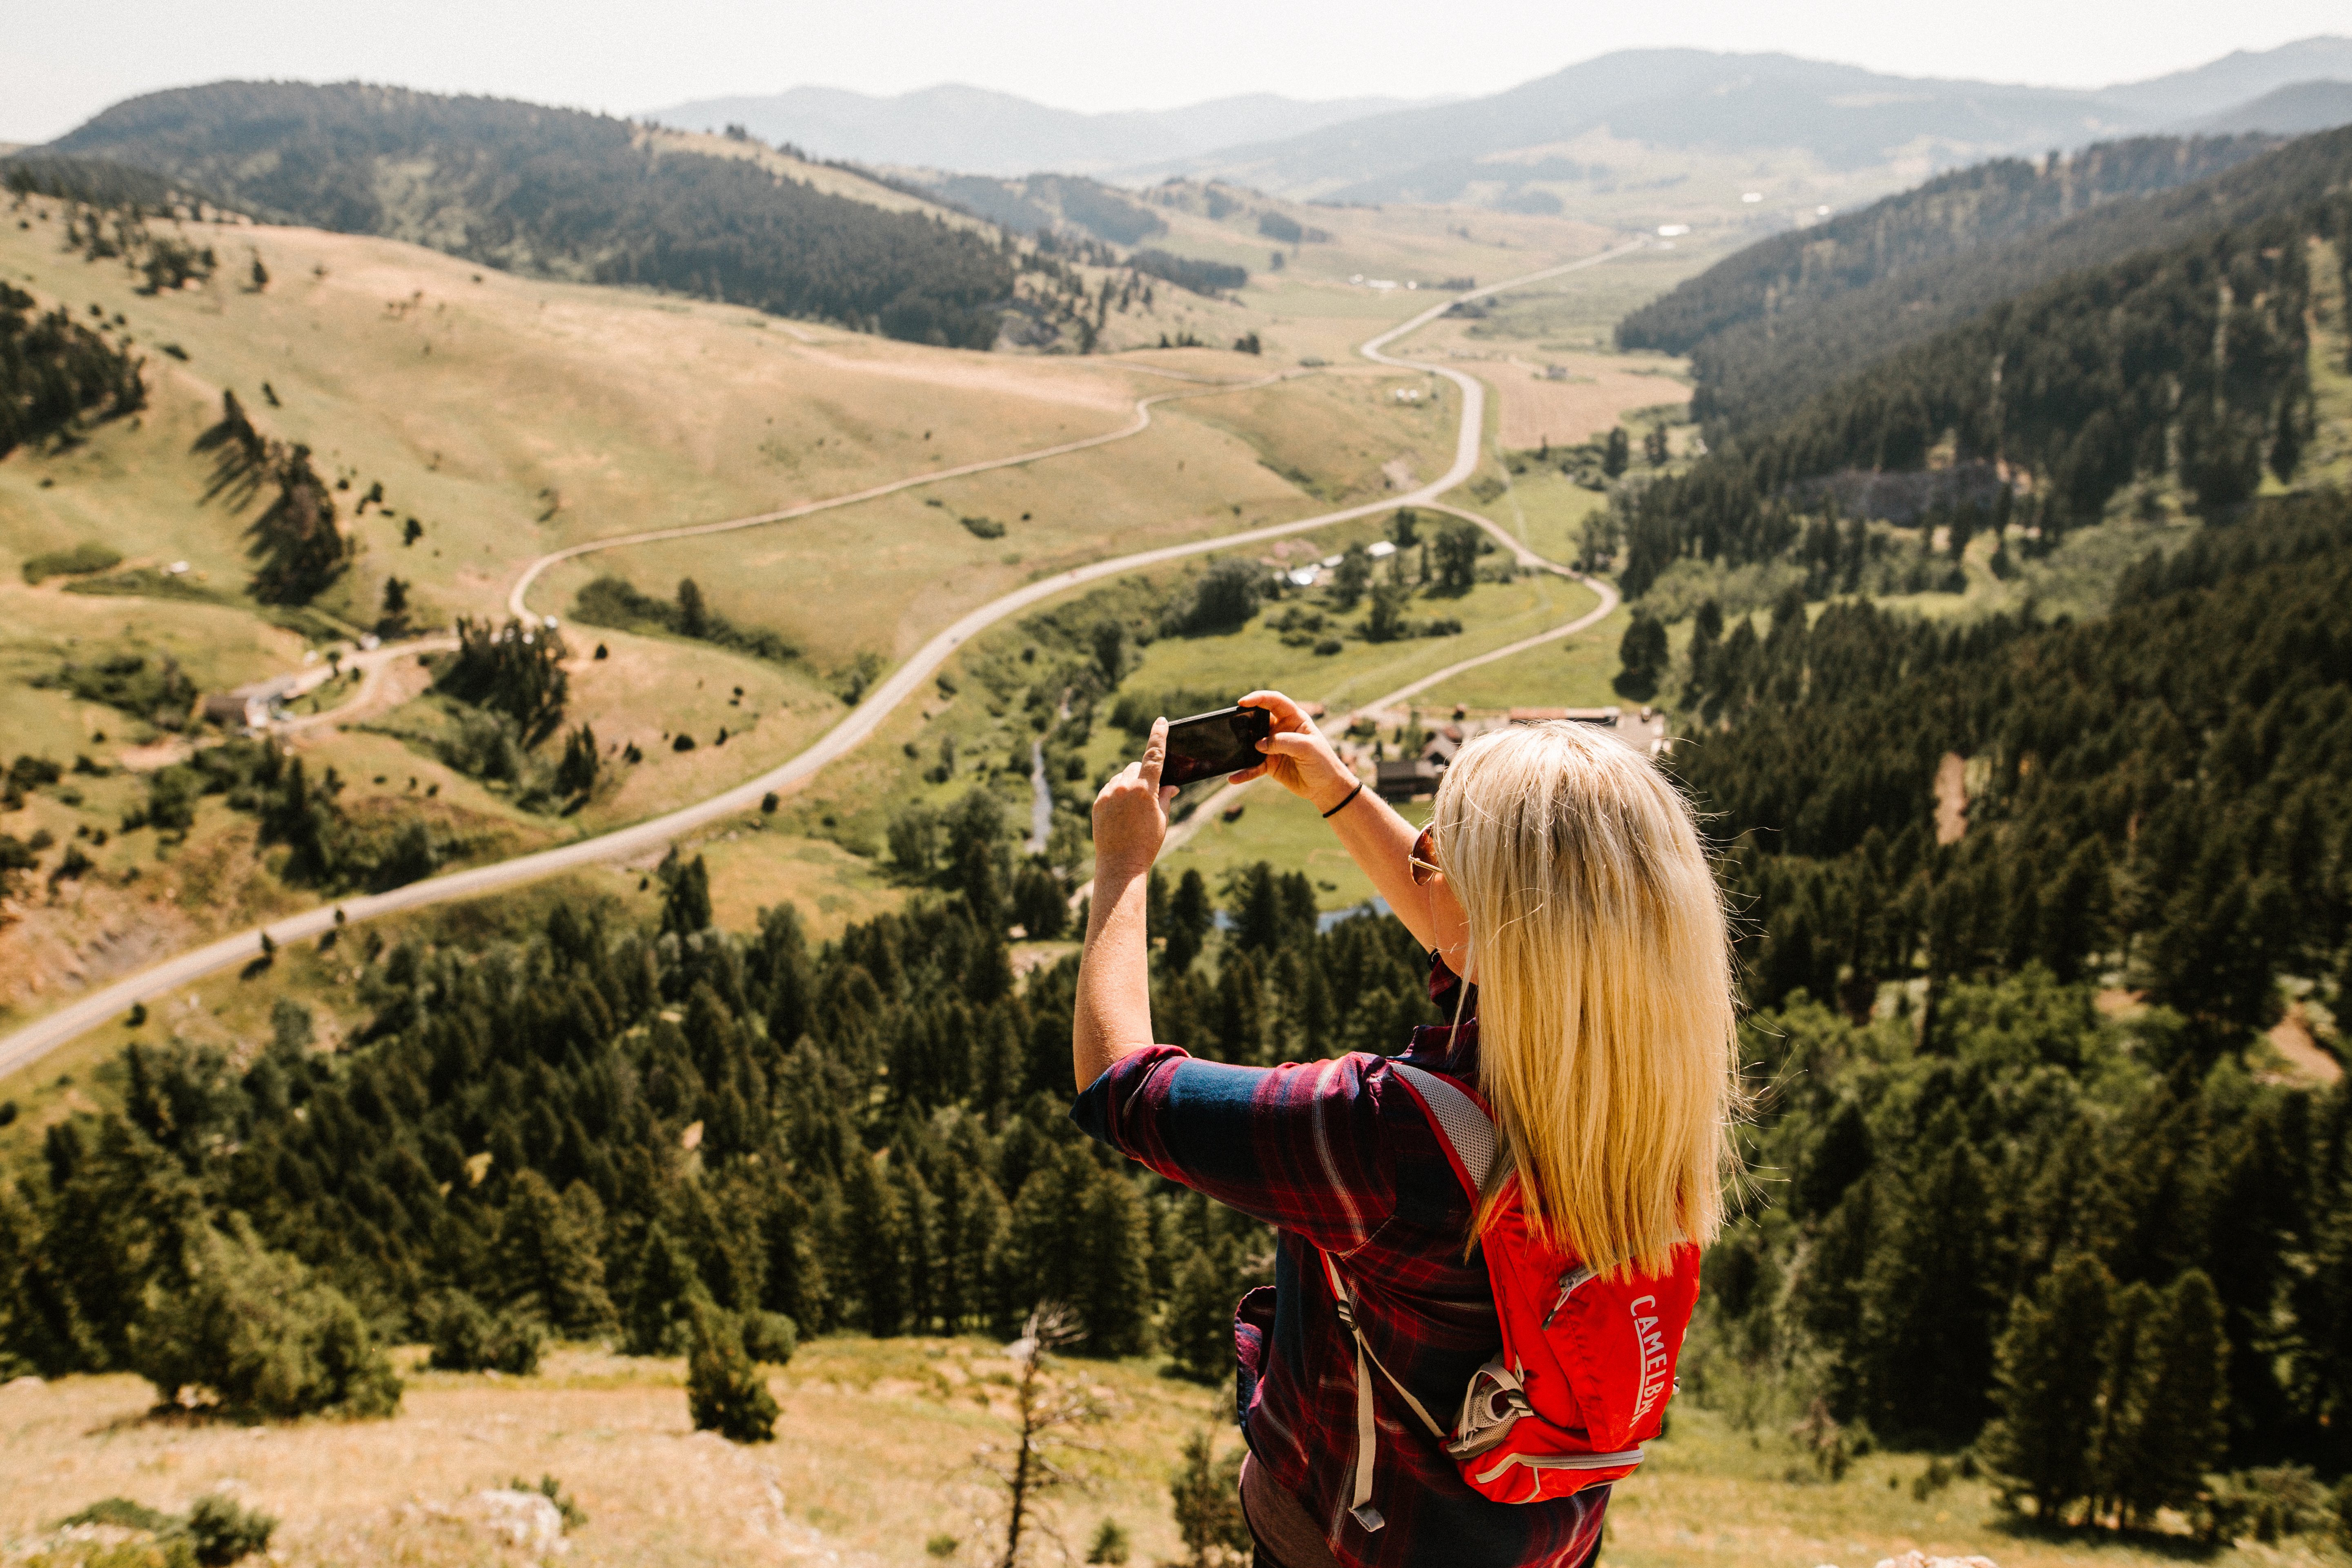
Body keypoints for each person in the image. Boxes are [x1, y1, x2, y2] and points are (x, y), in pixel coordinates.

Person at [1071, 690, 1741, 1568]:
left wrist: (1122, 868)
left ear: (1491, 910)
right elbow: (1479, 932)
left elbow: (1124, 1091)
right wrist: (1339, 794)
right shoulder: (1656, 1089)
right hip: (1544, 1536)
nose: (1422, 867)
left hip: (1349, 1543)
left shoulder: (1390, 1137)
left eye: (1438, 854)